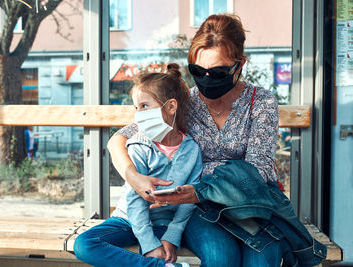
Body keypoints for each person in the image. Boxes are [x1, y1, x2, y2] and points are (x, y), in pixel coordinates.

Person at [107, 14, 326, 267]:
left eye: (218, 71)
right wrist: (134, 178)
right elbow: (118, 139)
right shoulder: (184, 102)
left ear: (239, 65)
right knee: (221, 257)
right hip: (198, 208)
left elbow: (259, 169)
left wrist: (198, 191)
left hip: (249, 201)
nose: (206, 79)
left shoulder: (261, 102)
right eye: (198, 71)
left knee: (262, 261)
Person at [74, 63, 203, 267]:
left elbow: (189, 201)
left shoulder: (192, 150)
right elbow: (135, 201)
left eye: (144, 106)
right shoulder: (138, 146)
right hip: (127, 220)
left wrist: (171, 237)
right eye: (136, 108)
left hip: (165, 222)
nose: (138, 114)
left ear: (171, 106)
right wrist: (149, 243)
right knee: (84, 244)